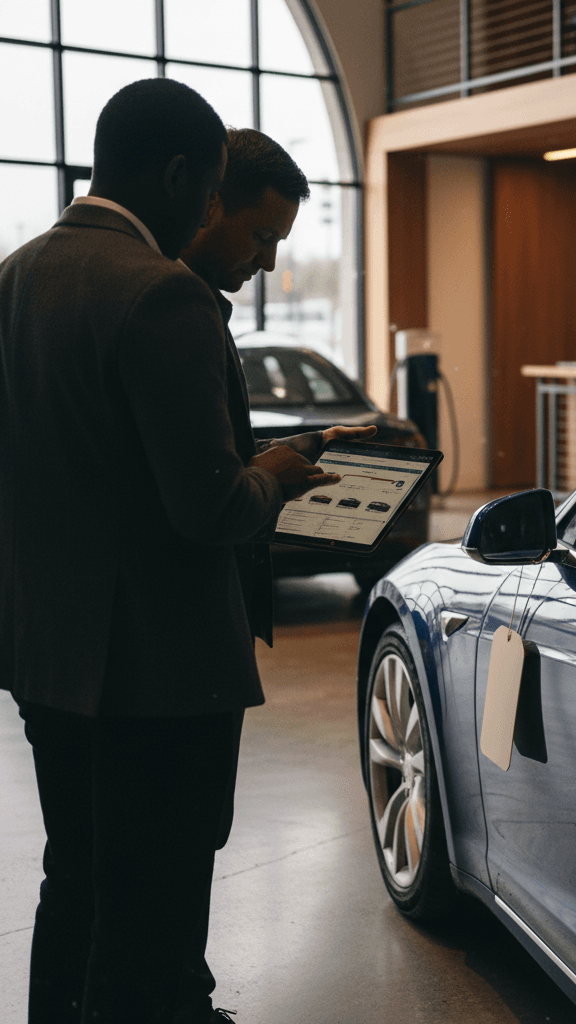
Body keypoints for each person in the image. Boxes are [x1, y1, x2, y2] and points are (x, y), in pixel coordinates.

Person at [0, 80, 367, 1024]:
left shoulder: (16, 275)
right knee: (150, 914)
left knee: (74, 878)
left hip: (50, 657)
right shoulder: (162, 292)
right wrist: (275, 474)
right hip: (156, 674)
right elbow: (209, 511)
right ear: (178, 178)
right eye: (211, 197)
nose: (216, 219)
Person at [179, 127, 370, 645]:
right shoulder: (174, 307)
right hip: (179, 635)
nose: (267, 263)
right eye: (263, 238)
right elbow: (206, 498)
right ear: (212, 204)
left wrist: (309, 446)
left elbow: (195, 455)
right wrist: (270, 480)